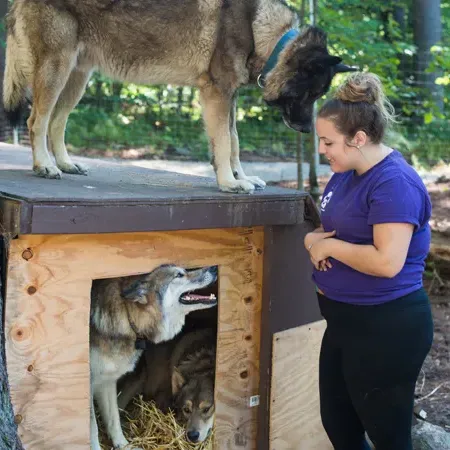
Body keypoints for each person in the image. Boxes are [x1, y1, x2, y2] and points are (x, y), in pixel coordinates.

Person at [304, 72, 434, 450]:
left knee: (388, 437)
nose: (323, 150)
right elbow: (333, 231)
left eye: (328, 142)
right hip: (344, 323)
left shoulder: (393, 183)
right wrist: (313, 239)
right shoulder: (346, 174)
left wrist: (328, 249)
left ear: (358, 139)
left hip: (386, 328)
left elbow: (387, 262)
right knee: (339, 426)